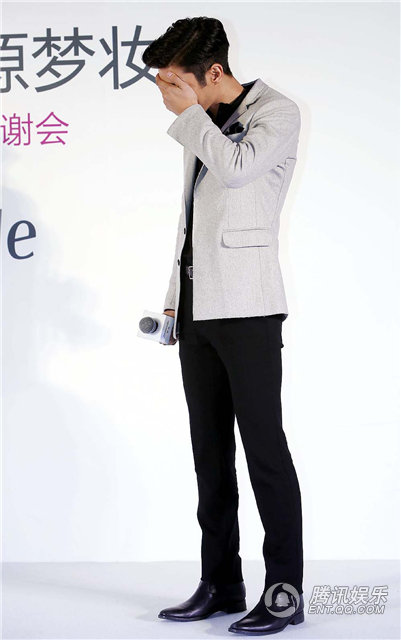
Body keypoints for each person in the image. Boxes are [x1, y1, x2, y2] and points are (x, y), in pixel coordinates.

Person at [142, 16, 304, 635]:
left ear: (213, 72)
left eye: (175, 82)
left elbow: (238, 168)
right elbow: (190, 220)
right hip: (197, 308)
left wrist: (190, 117)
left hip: (249, 307)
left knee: (265, 453)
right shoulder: (201, 123)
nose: (166, 94)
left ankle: (284, 593)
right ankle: (221, 583)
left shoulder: (277, 112)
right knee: (209, 455)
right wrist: (171, 303)